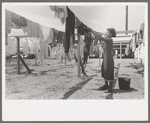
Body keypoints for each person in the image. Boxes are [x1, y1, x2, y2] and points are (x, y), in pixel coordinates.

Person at [88, 28, 116, 93]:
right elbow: (101, 41)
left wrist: (92, 31)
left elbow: (100, 38)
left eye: (108, 32)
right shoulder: (106, 40)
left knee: (108, 71)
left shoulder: (109, 39)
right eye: (106, 32)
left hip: (108, 58)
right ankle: (106, 85)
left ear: (111, 34)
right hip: (105, 57)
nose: (106, 33)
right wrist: (98, 36)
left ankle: (110, 88)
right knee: (104, 70)